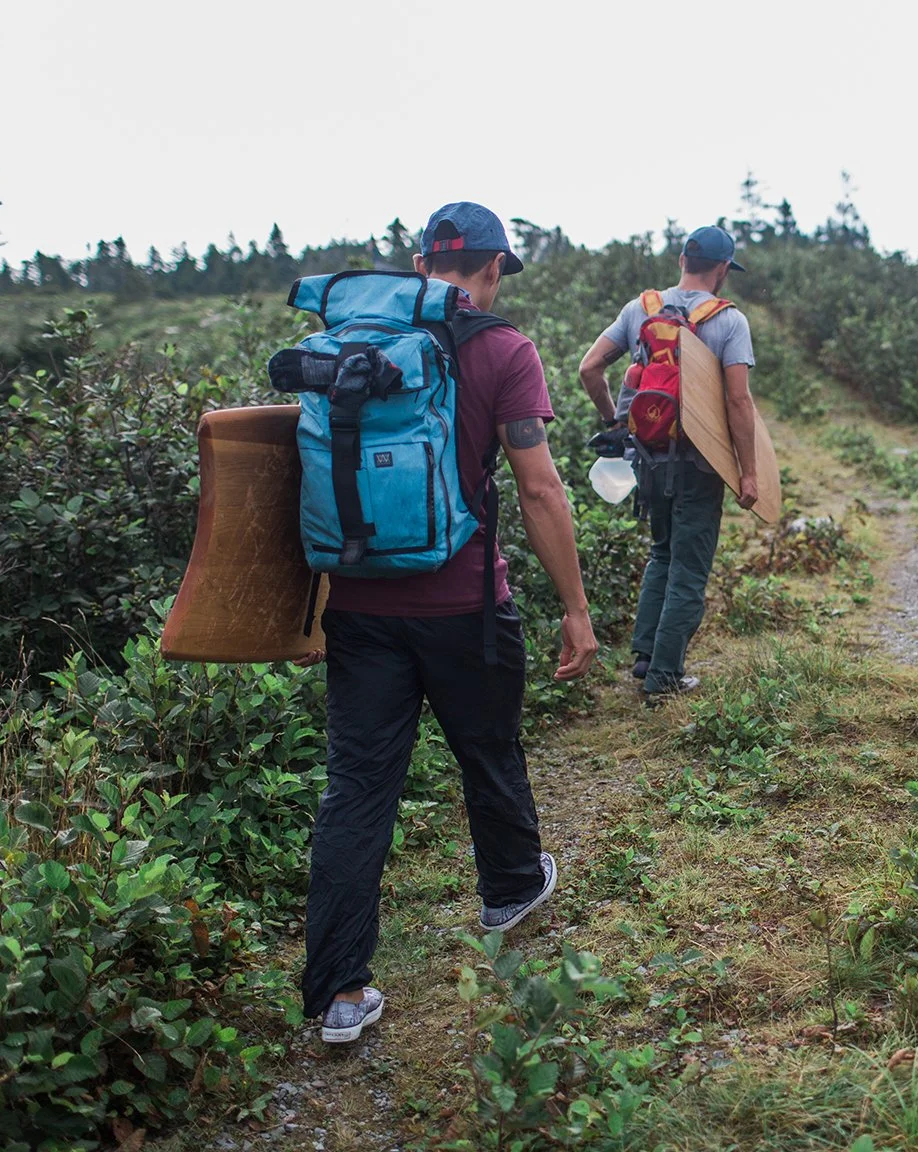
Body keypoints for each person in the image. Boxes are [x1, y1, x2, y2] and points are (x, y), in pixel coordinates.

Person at [300, 202, 600, 1044]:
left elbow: (314, 473)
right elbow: (539, 487)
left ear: (423, 261)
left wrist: (312, 607)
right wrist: (575, 608)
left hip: (359, 608)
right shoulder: (503, 348)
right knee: (489, 747)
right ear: (493, 269)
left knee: (357, 788)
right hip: (466, 604)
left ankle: (338, 994)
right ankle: (509, 890)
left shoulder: (350, 341)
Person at [576, 225, 759, 705]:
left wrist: (613, 420)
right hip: (700, 463)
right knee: (690, 568)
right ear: (722, 270)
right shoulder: (728, 321)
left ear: (682, 259)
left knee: (662, 553)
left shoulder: (642, 309)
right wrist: (749, 471)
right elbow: (738, 403)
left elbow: (589, 368)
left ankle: (643, 657)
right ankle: (665, 675)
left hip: (647, 458)